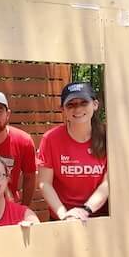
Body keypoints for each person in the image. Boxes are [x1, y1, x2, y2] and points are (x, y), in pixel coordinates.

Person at [37, 81, 109, 222]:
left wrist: (85, 210)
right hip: (62, 217)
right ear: (62, 110)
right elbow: (45, 183)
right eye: (71, 104)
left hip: (99, 218)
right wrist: (64, 215)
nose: (77, 109)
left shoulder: (108, 136)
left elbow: (108, 183)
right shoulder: (51, 138)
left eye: (83, 102)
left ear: (95, 105)